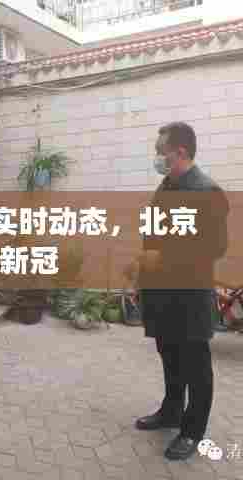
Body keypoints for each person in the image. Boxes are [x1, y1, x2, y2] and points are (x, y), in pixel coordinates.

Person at [124, 122, 229, 461]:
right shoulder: (167, 186)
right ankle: (171, 411)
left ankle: (192, 431)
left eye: (160, 151)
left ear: (180, 152)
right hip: (162, 293)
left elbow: (214, 247)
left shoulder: (206, 191)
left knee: (195, 366)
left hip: (189, 296)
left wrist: (162, 258)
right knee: (169, 355)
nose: (157, 157)